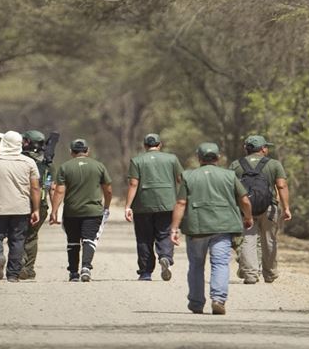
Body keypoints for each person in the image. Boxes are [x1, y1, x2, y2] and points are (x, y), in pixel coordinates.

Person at [171, 142, 253, 315]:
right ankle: (218, 299)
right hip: (222, 227)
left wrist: (174, 228)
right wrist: (248, 217)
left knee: (196, 265)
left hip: (196, 227)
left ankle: (196, 302)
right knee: (220, 264)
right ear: (218, 157)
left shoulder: (188, 176)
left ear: (198, 158)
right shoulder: (229, 175)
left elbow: (181, 203)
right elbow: (244, 200)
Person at [0, 130, 41, 283]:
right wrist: (36, 209)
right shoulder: (29, 162)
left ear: (3, 144)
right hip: (21, 209)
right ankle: (13, 274)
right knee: (17, 240)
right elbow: (35, 188)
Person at [229, 135, 291, 284]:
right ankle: (269, 274)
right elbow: (281, 185)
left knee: (247, 240)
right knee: (269, 240)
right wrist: (286, 207)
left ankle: (250, 274)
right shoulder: (274, 164)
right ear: (263, 149)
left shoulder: (236, 165)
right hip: (269, 208)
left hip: (245, 209)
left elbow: (230, 188)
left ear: (246, 149)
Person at [49, 138, 112, 282]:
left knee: (72, 242)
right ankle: (86, 267)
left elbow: (59, 191)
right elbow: (108, 190)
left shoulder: (65, 167)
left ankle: (73, 273)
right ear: (87, 151)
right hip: (93, 211)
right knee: (89, 239)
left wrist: (54, 211)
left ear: (71, 152)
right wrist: (106, 206)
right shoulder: (99, 166)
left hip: (72, 211)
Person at [124, 133, 184, 281]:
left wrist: (128, 206)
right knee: (164, 233)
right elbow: (180, 179)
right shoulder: (172, 159)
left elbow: (133, 184)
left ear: (145, 146)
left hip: (143, 205)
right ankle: (165, 257)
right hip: (167, 203)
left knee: (144, 238)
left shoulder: (137, 160)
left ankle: (145, 272)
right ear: (160, 144)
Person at [20, 130, 53, 280]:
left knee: (18, 235)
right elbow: (49, 185)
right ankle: (29, 269)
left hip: (22, 204)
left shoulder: (21, 161)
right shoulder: (47, 165)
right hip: (42, 205)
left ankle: (20, 263)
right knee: (32, 237)